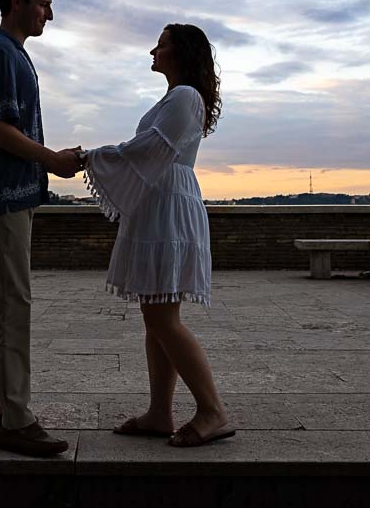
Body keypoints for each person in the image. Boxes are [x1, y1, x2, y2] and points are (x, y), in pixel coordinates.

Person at [79, 24, 234, 447]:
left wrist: (88, 157)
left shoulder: (184, 97)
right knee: (155, 314)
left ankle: (213, 410)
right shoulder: (176, 97)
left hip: (169, 208)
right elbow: (148, 149)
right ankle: (160, 412)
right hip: (160, 205)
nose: (153, 49)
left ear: (179, 52)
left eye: (161, 44)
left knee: (163, 317)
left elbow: (148, 149)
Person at [0, 0, 81, 457]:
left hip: (3, 198)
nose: (48, 14)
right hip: (1, 199)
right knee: (12, 303)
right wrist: (51, 159)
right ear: (16, 2)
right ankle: (16, 419)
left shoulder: (10, 54)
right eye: (43, 3)